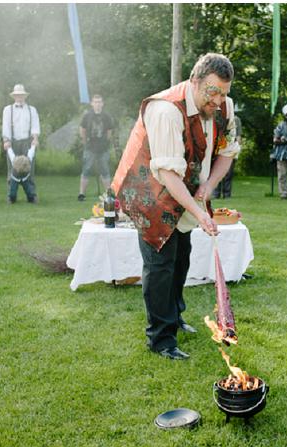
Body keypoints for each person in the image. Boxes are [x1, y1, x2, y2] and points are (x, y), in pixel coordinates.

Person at [111, 53, 241, 360]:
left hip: (187, 189)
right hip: (151, 191)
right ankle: (161, 339)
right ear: (194, 81)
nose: (218, 100)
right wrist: (198, 212)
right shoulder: (165, 111)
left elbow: (227, 152)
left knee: (182, 257)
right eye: (212, 92)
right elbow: (168, 173)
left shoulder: (224, 105)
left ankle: (175, 316)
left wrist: (207, 188)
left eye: (224, 92)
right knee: (160, 265)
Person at [2, 83, 40, 201]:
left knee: (29, 168)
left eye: (21, 95)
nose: (19, 97)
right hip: (13, 141)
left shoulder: (32, 110)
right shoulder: (8, 110)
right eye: (17, 95)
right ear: (14, 96)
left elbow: (35, 125)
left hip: (27, 141)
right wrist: (6, 140)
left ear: (25, 96)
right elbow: (6, 125)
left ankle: (31, 195)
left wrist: (35, 138)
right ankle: (11, 195)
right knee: (12, 168)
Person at [78, 94, 114, 201]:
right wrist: (85, 142)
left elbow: (109, 131)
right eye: (95, 102)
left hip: (103, 148)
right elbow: (82, 129)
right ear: (92, 104)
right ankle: (81, 194)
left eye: (99, 102)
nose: (97, 104)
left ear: (102, 104)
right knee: (86, 170)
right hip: (90, 148)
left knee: (105, 171)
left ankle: (109, 194)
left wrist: (105, 142)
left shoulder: (106, 116)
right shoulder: (87, 116)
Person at [213, 105, 242, 199]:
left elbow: (238, 136)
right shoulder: (216, 119)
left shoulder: (236, 119)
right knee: (216, 172)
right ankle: (216, 193)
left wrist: (236, 149)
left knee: (228, 173)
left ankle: (227, 194)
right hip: (218, 148)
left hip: (230, 148)